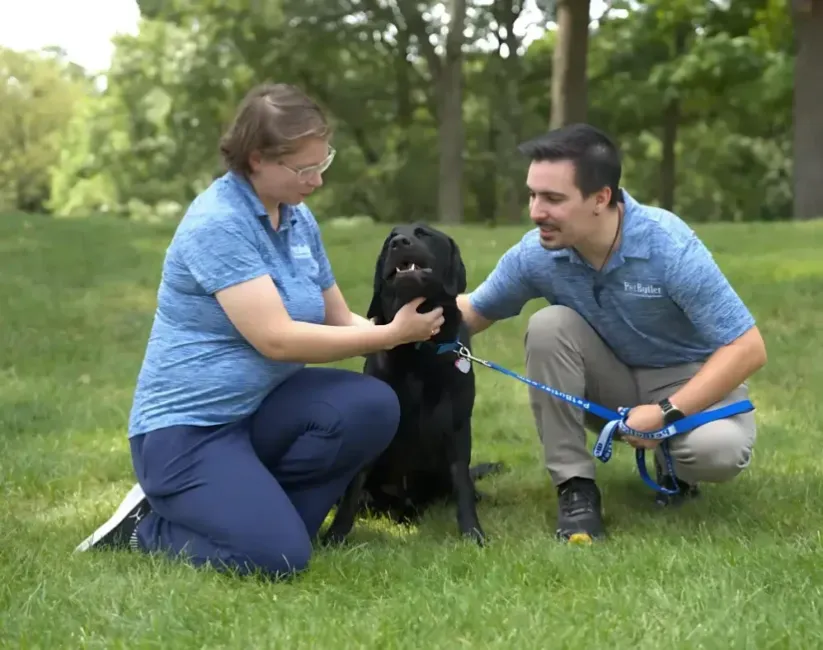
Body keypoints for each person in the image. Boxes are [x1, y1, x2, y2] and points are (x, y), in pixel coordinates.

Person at [74, 83, 445, 579]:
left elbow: (338, 317)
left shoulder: (296, 217)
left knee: (372, 404)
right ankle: (146, 528)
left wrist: (412, 338)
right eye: (303, 169)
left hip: (264, 411)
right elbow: (277, 339)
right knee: (278, 559)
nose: (316, 180)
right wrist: (388, 336)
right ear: (255, 160)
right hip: (190, 433)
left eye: (323, 163)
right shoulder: (218, 223)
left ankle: (257, 513)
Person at [456, 123, 767, 542]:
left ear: (601, 198)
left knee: (717, 453)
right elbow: (471, 312)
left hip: (686, 378)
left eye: (552, 198)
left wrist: (665, 412)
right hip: (609, 383)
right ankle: (576, 490)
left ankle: (673, 464)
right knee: (549, 325)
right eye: (532, 195)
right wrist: (392, 326)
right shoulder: (537, 252)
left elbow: (748, 348)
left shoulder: (667, 246)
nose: (535, 211)